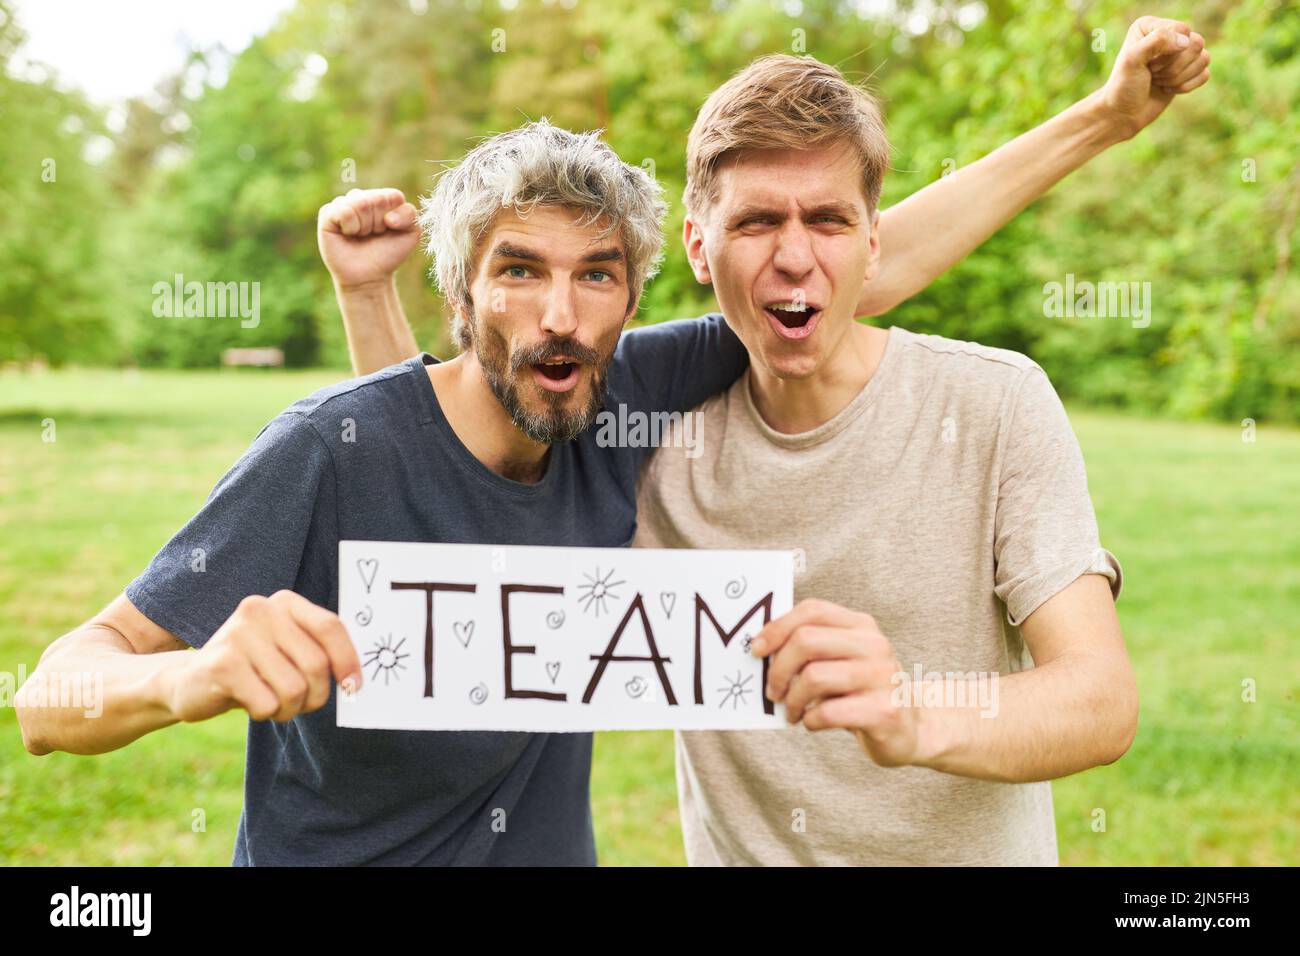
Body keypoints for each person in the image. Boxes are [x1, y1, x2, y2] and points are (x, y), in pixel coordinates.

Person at [333, 17, 1209, 864]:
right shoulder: (639, 426)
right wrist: (371, 298)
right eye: (755, 224)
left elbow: (1099, 702)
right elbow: (444, 474)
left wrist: (907, 713)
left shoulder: (995, 402)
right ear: (699, 248)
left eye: (829, 220)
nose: (795, 257)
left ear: (872, 238)